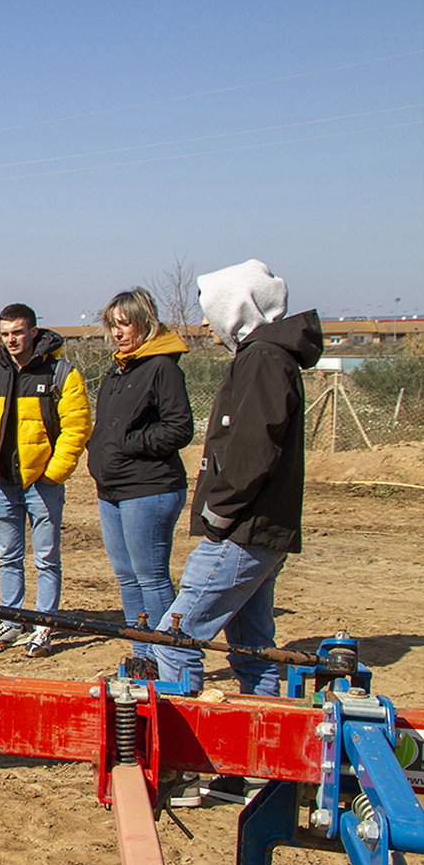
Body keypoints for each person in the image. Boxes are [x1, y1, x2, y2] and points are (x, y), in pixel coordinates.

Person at [155, 260, 322, 700]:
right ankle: (261, 759)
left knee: (175, 638)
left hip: (243, 530)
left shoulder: (263, 360)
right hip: (258, 529)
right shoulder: (264, 357)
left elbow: (252, 450)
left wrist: (218, 509)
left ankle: (179, 758)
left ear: (237, 309)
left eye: (212, 310)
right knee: (253, 650)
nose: (205, 321)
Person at [0, 303, 91, 658]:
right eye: (5, 334)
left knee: (47, 558)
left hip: (42, 484)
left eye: (18, 333)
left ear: (33, 332)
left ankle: (43, 625)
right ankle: (12, 618)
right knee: (8, 555)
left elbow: (77, 427)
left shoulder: (61, 373)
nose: (11, 340)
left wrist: (54, 472)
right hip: (1, 482)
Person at [86, 288, 193, 678]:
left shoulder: (162, 368)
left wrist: (130, 444)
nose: (118, 333)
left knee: (151, 576)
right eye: (113, 325)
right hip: (113, 490)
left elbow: (180, 427)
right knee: (127, 577)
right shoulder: (119, 370)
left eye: (125, 324)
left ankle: (169, 661)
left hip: (149, 488)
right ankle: (142, 655)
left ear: (145, 323)